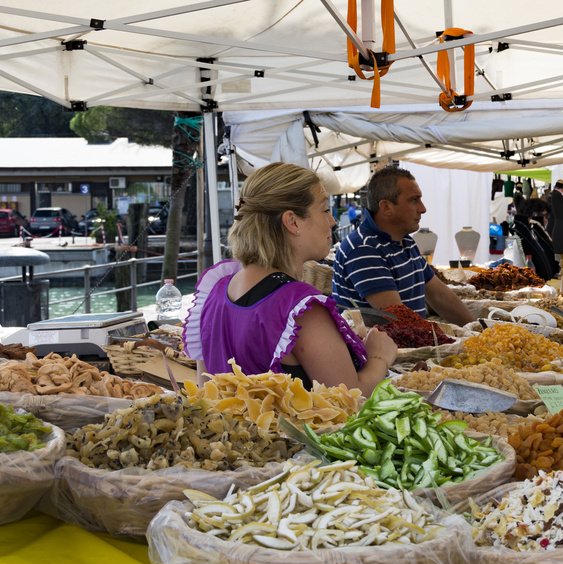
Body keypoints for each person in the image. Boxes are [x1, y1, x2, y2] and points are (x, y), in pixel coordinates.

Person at [184, 162, 397, 397]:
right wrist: (380, 356)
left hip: (230, 433)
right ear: (293, 221)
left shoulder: (215, 290)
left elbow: (206, 392)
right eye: (324, 209)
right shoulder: (300, 307)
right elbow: (350, 401)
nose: (332, 221)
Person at [332, 166, 475, 325]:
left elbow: (439, 295)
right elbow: (398, 320)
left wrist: (478, 330)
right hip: (379, 349)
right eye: (414, 200)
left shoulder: (405, 242)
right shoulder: (363, 248)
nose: (423, 209)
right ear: (386, 207)